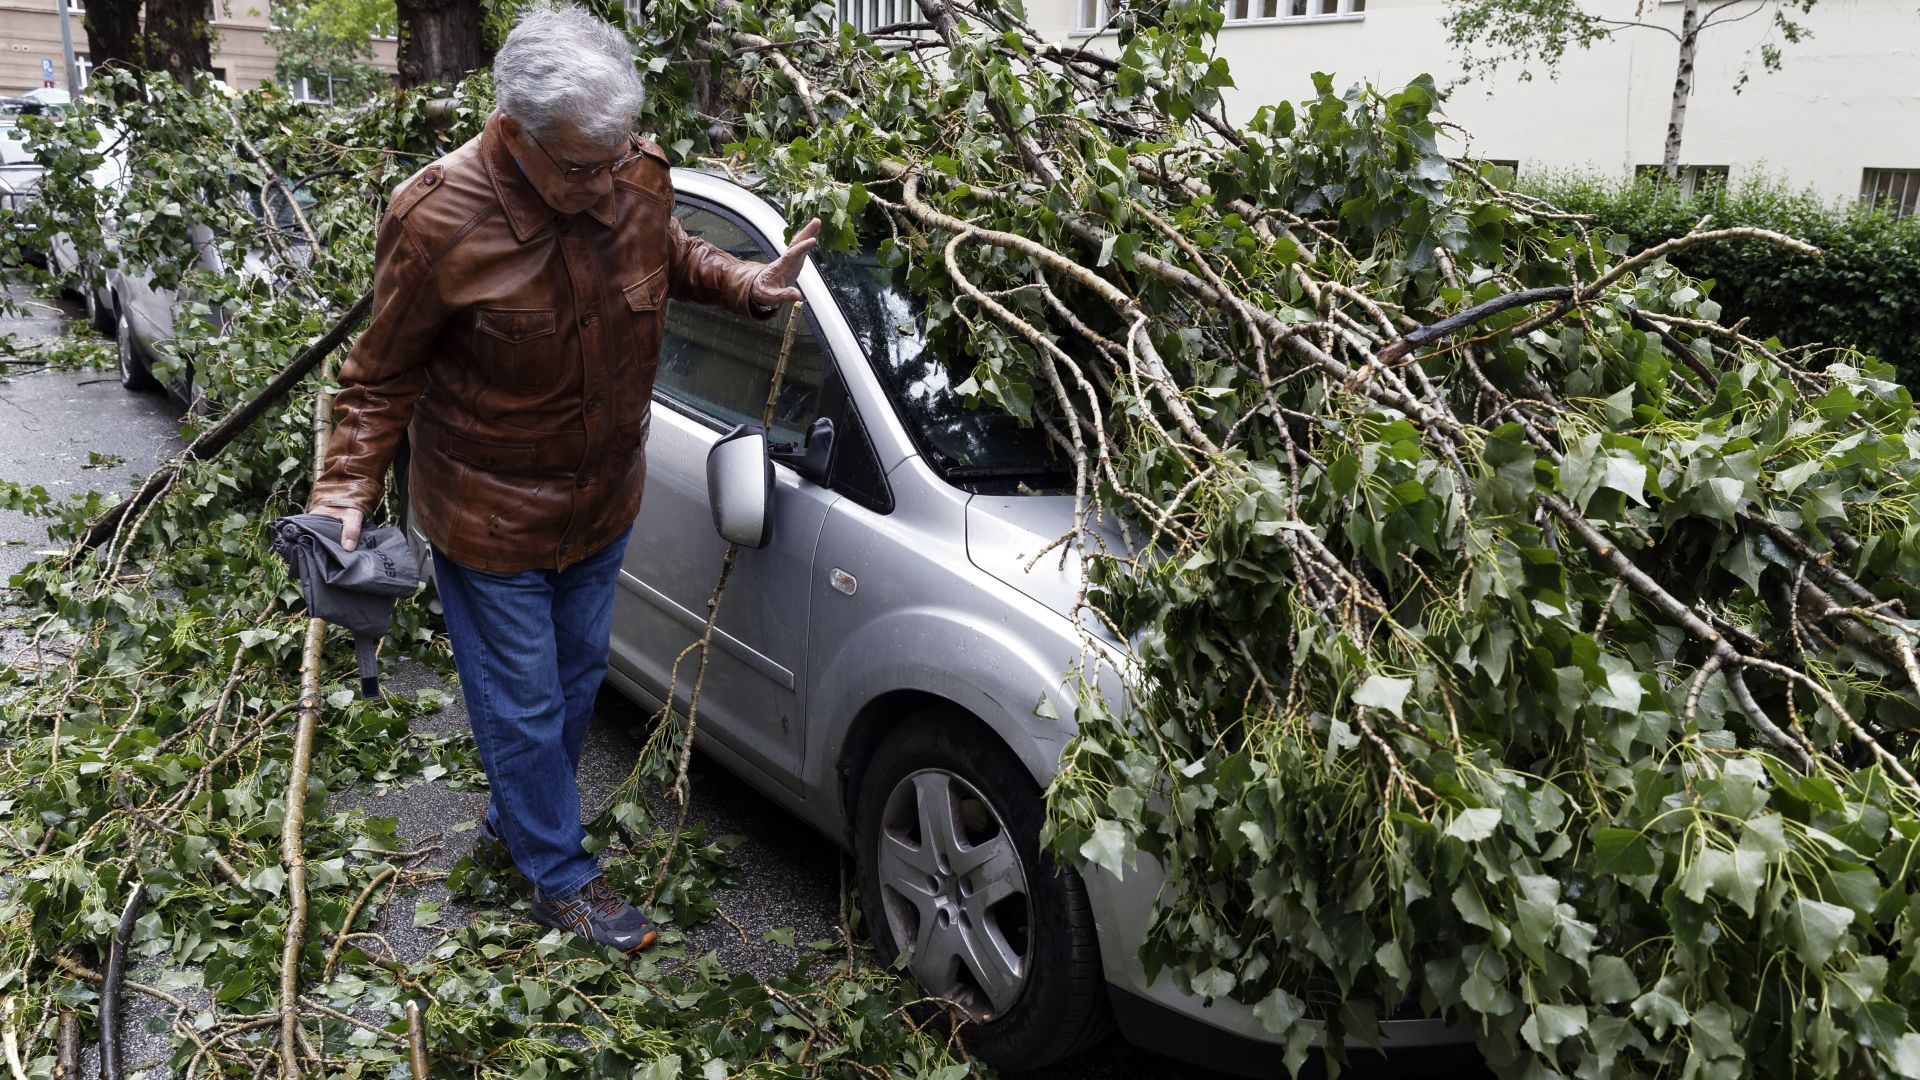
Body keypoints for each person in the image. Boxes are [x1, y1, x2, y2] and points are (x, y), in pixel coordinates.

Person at [307, 3, 821, 952]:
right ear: (517, 131)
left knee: (576, 685)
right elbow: (379, 375)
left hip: (603, 500)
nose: (604, 184)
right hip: (489, 514)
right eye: (583, 167)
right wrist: (343, 493)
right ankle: (558, 873)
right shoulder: (437, 217)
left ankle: (518, 815)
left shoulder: (631, 173)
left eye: (616, 157)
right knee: (526, 703)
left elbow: (664, 253)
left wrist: (748, 283)